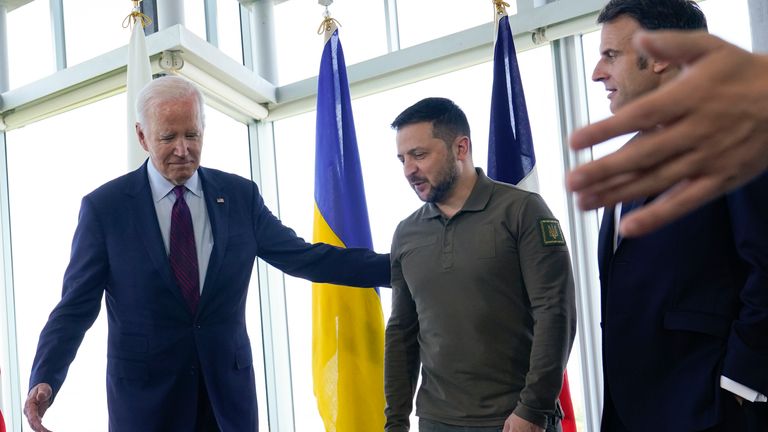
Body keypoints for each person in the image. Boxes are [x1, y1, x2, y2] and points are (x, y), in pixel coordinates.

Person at [22, 75, 390, 432]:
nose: (183, 149)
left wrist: (401, 267)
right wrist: (46, 377)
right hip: (146, 403)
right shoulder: (106, 208)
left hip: (226, 400)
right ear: (142, 136)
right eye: (168, 137)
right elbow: (75, 306)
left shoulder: (239, 197)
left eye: (192, 135)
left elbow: (307, 257)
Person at [589, 1, 768, 431]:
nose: (597, 72)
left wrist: (739, 389)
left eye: (611, 55)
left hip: (711, 409)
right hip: (633, 410)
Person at [384, 97, 576, 432]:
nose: (408, 170)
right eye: (402, 159)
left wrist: (532, 409)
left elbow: (555, 312)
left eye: (419, 154)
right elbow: (402, 333)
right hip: (436, 422)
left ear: (461, 148)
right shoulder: (406, 233)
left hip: (515, 420)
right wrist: (395, 422)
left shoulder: (523, 211)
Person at [567, 30, 768, 237]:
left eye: (611, 55)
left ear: (660, 57)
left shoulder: (738, 144)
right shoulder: (625, 160)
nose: (596, 74)